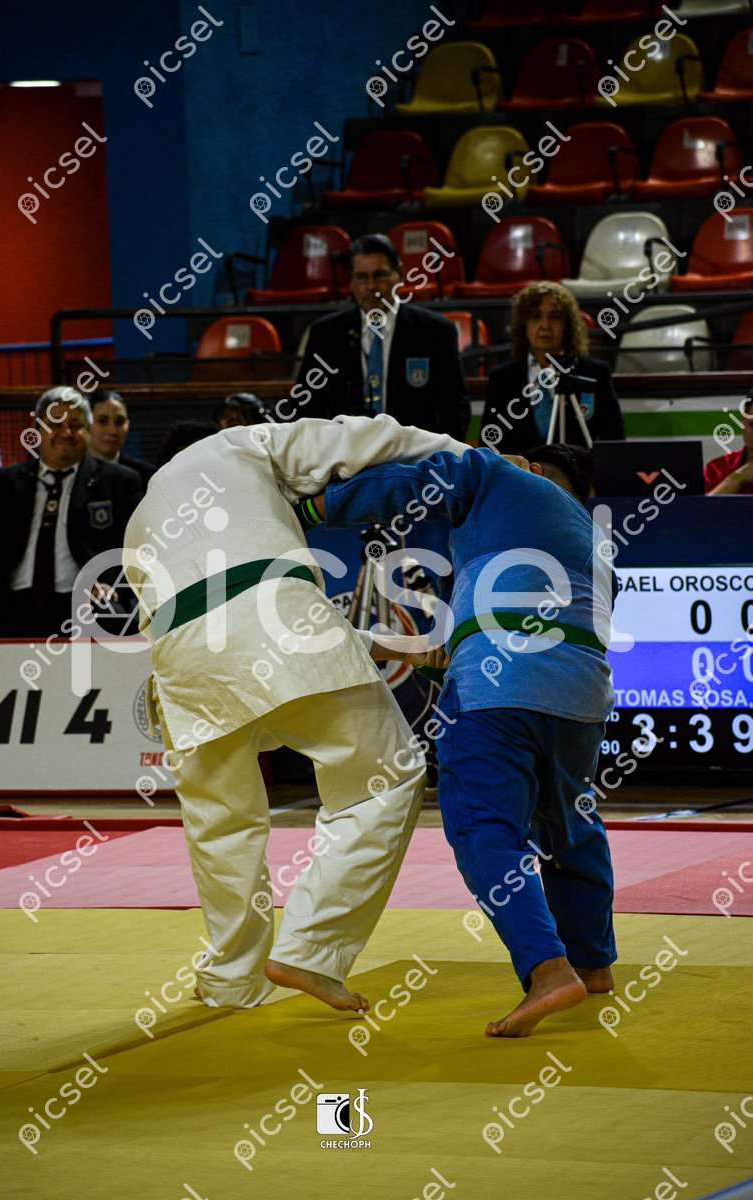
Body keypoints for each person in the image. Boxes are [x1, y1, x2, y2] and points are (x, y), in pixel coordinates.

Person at [122, 413, 471, 1013]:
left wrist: (382, 644)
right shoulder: (236, 444)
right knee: (382, 780)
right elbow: (365, 435)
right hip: (283, 623)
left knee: (223, 827)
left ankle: (232, 979)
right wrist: (467, 455)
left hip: (184, 664)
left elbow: (223, 612)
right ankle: (310, 949)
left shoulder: (139, 526)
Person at [318, 441, 617, 1038]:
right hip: (582, 696)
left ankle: (548, 971)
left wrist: (317, 506)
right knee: (569, 825)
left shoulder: (503, 476)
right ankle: (592, 962)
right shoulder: (595, 544)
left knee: (483, 828)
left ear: (533, 468)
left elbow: (425, 477)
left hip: (496, 688)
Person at [0, 387, 143, 637]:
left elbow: (134, 548)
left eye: (76, 425)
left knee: (115, 616)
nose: (66, 433)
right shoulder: (2, 483)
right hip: (12, 598)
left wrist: (111, 584)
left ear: (88, 431)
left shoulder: (120, 482)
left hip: (84, 598)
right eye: (55, 424)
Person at [294, 233, 471, 439]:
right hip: (345, 455)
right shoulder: (327, 333)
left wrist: (441, 457)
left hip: (414, 455)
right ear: (351, 282)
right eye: (361, 277)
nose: (371, 286)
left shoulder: (435, 331)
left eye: (379, 275)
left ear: (400, 275)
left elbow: (455, 410)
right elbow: (306, 409)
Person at [479, 281, 625, 454]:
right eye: (536, 316)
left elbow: (614, 439)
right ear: (523, 324)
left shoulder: (595, 373)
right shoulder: (502, 379)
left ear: (568, 325)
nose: (545, 325)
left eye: (555, 317)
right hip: (519, 471)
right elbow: (489, 444)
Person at [89, 389, 155, 487]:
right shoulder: (72, 471)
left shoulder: (147, 476)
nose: (113, 431)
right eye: (102, 421)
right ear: (86, 424)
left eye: (119, 422)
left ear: (127, 425)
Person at [705, 394, 753, 495]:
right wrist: (738, 477)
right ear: (743, 420)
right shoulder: (716, 469)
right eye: (752, 425)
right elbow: (698, 505)